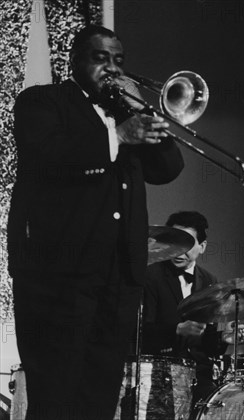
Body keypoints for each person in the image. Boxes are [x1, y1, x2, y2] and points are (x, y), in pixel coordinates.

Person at [7, 25, 184, 420]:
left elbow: (169, 168)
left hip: (119, 276)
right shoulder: (43, 101)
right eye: (100, 58)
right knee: (56, 392)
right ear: (74, 61)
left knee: (101, 395)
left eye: (118, 61)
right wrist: (119, 135)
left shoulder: (126, 113)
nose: (112, 68)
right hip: (59, 275)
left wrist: (142, 112)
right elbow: (46, 155)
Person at [142, 210, 228, 399]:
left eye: (187, 243)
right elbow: (138, 333)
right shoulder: (150, 276)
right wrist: (177, 330)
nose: (179, 249)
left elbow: (207, 345)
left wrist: (224, 339)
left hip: (199, 374)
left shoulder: (209, 280)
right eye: (174, 242)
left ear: (202, 246)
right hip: (159, 372)